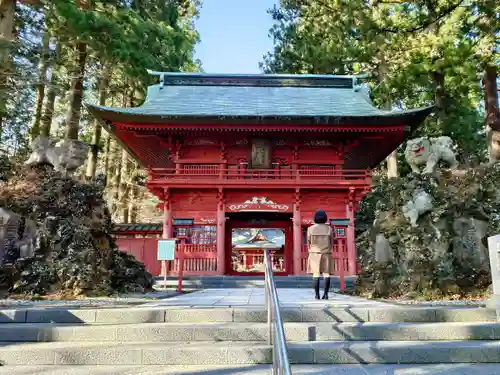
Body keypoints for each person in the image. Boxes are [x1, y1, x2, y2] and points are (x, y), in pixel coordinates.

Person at [307, 209, 335, 300]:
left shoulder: (310, 229)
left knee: (316, 274)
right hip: (326, 253)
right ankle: (326, 295)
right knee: (326, 274)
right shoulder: (329, 229)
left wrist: (310, 250)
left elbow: (308, 242)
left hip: (314, 253)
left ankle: (317, 295)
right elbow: (331, 242)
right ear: (325, 218)